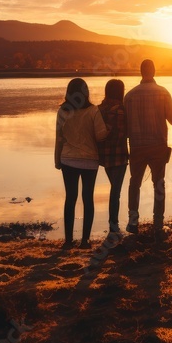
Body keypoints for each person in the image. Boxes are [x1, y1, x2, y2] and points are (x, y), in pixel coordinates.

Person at [123, 59, 172, 237]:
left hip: (137, 145)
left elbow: (124, 125)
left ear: (140, 71)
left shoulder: (129, 96)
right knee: (158, 184)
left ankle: (132, 221)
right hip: (157, 145)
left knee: (134, 183)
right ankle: (158, 223)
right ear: (153, 71)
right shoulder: (163, 93)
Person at [54, 78, 109, 249]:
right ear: (86, 92)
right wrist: (109, 130)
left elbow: (59, 138)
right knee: (88, 198)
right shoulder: (93, 111)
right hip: (89, 160)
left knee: (70, 198)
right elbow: (100, 136)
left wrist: (57, 160)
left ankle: (68, 241)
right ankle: (85, 241)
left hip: (68, 159)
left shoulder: (63, 111)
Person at [97, 79, 129, 235]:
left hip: (103, 156)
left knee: (114, 188)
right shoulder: (121, 110)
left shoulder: (99, 109)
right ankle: (113, 223)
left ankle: (113, 223)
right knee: (116, 190)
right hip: (119, 155)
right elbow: (122, 133)